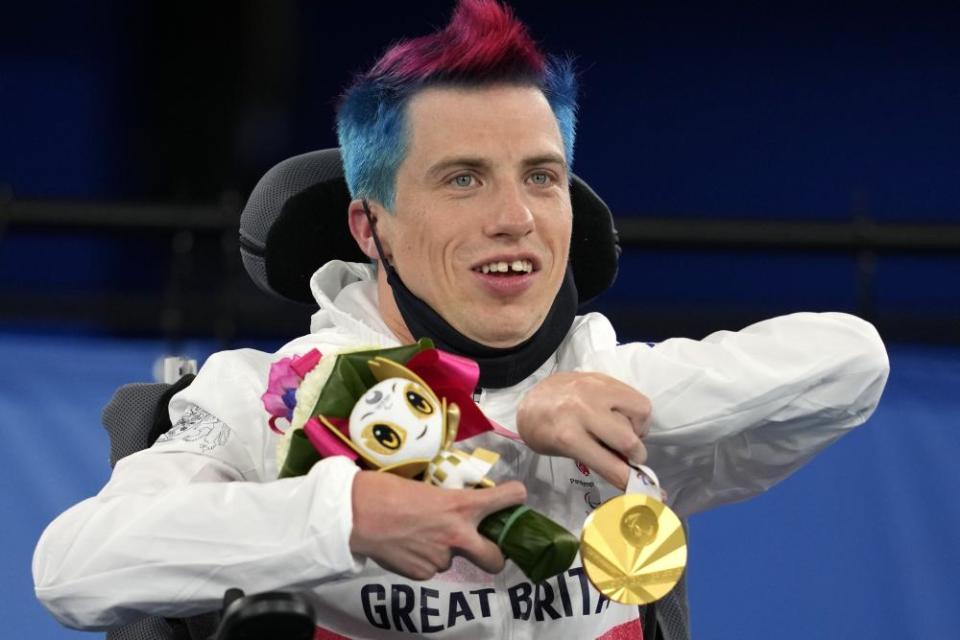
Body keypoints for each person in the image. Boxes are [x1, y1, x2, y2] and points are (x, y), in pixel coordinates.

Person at [33, 1, 889, 638]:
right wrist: (342, 516)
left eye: (542, 176)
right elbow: (71, 566)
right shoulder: (263, 403)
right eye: (463, 178)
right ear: (371, 228)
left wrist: (613, 393)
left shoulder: (617, 396)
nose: (515, 217)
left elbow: (853, 365)